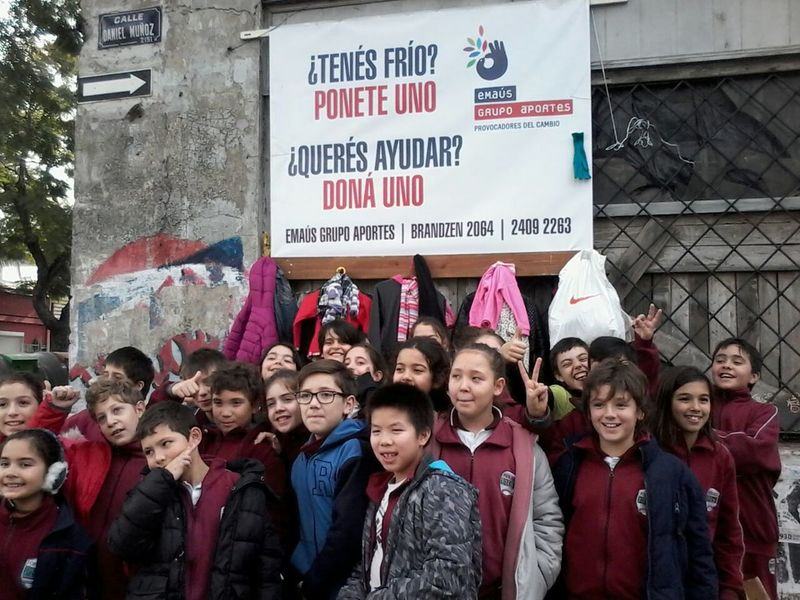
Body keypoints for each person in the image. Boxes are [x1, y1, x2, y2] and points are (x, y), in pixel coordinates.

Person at [551, 358, 717, 599]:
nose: (609, 414)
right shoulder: (569, 466)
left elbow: (699, 551)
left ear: (639, 411)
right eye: (599, 404)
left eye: (621, 405)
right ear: (588, 410)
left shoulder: (671, 473)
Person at [108, 402, 283, 599]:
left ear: (194, 437)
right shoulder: (149, 494)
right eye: (149, 451)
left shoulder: (239, 487)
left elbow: (267, 567)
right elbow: (122, 545)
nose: (158, 457)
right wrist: (161, 483)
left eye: (166, 444)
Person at [429, 343, 564, 599]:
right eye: (456, 376)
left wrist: (538, 575)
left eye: (476, 378)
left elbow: (547, 519)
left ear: (498, 386)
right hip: (436, 590)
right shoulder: (429, 440)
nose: (463, 386)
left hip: (503, 590)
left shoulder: (523, 448)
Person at [337, 383, 482, 599]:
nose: (384, 441)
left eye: (396, 430)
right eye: (376, 431)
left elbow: (448, 577)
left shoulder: (442, 488)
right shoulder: (381, 489)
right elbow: (369, 561)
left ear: (423, 435)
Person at [28, 378, 148, 599]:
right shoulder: (86, 455)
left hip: (137, 582)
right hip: (86, 578)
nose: (111, 421)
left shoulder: (159, 462)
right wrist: (55, 410)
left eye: (118, 410)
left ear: (140, 409)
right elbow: (32, 446)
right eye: (102, 418)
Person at [650, 366, 745, 599]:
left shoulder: (720, 457)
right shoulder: (650, 452)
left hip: (703, 583)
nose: (695, 408)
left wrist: (730, 588)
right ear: (666, 402)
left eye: (703, 400)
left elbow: (728, 531)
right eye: (684, 399)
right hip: (657, 583)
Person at [291, 360, 378, 599]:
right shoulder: (301, 457)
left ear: (348, 404)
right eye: (306, 396)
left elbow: (348, 531)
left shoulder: (355, 451)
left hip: (343, 584)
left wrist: (315, 581)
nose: (314, 404)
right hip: (305, 575)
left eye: (326, 395)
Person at [711, 337, 780, 599]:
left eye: (736, 362)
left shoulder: (764, 412)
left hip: (752, 528)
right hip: (710, 528)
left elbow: (751, 451)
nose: (726, 366)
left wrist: (703, 436)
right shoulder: (701, 405)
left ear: (753, 376)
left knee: (755, 593)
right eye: (720, 360)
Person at [0, 429, 96, 599]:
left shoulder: (71, 541)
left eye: (25, 464)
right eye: (4, 464)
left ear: (55, 474)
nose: (10, 473)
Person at [62, 345, 155, 442]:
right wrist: (54, 408)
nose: (110, 422)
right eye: (105, 375)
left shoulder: (154, 432)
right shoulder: (87, 418)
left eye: (117, 378)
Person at [152, 348, 227, 427]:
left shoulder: (239, 421)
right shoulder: (189, 422)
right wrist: (170, 390)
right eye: (194, 384)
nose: (202, 392)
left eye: (209, 382)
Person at [391, 338, 451, 412]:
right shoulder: (381, 412)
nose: (406, 377)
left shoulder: (448, 419)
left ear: (437, 378)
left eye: (417, 370)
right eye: (400, 369)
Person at [264, 369, 309, 467]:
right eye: (271, 404)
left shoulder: (316, 442)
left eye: (287, 399)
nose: (278, 408)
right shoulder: (278, 444)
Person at [0, 372, 45, 443]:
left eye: (23, 403)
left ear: (40, 405)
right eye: (2, 404)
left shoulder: (65, 449)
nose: (12, 412)